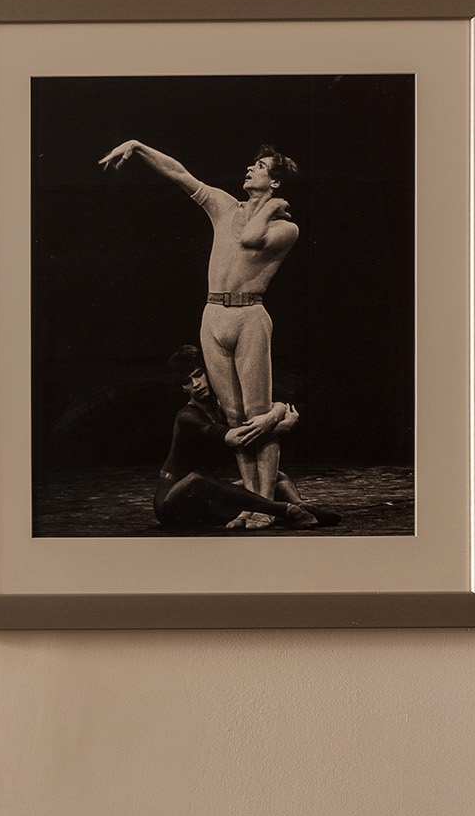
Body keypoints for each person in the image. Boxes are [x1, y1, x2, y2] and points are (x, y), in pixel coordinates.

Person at [97, 137, 300, 504]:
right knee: (236, 418)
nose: (250, 168)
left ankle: (267, 507)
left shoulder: (287, 228)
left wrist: (269, 209)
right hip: (213, 315)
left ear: (275, 182)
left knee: (257, 416)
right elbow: (180, 174)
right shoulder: (224, 205)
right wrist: (139, 148)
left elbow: (251, 239)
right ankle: (253, 503)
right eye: (252, 164)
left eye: (260, 167)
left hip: (249, 316)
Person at [152, 347, 336, 532]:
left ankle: (302, 507)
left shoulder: (222, 406)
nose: (196, 384)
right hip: (172, 504)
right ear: (183, 388)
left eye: (199, 375)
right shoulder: (187, 417)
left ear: (208, 372)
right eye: (188, 381)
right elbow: (237, 439)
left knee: (277, 477)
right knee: (198, 478)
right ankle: (286, 510)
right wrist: (281, 427)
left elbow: (273, 406)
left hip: (205, 501)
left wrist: (275, 413)